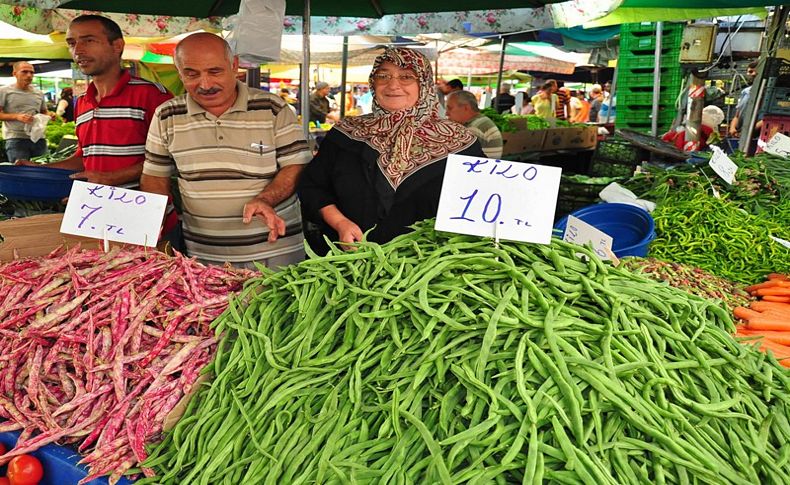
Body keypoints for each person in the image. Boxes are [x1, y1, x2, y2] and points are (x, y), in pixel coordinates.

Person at [140, 33, 311, 268]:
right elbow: (154, 177)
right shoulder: (166, 115)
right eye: (191, 74)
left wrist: (264, 199)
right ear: (179, 73)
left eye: (215, 71)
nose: (205, 84)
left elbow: (297, 165)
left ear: (234, 66)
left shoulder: (272, 108)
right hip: (204, 255)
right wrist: (148, 223)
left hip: (275, 249)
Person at [297, 47, 485, 252]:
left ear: (424, 84)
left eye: (406, 77)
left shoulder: (459, 142)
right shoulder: (346, 134)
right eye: (383, 76)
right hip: (349, 262)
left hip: (429, 268)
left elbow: (484, 202)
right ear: (372, 82)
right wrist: (340, 223)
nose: (393, 85)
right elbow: (313, 187)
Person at [18, 15, 173, 190]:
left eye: (89, 41)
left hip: (145, 212)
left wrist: (112, 178)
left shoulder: (152, 95)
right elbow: (83, 158)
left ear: (117, 46)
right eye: (71, 43)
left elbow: (174, 156)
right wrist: (40, 169)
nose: (78, 50)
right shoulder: (83, 102)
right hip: (97, 210)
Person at [0, 61, 49, 162]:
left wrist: (50, 116)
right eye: (24, 72)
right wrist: (17, 117)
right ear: (14, 74)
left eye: (32, 72)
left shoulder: (39, 93)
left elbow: (44, 112)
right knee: (20, 172)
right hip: (16, 138)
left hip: (38, 138)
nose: (29, 75)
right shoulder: (4, 91)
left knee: (43, 170)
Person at [446, 90, 503, 159]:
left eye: (450, 108)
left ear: (466, 107)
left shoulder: (474, 128)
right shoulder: (480, 121)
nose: (447, 113)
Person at [728, 61, 759, 138]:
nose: (749, 74)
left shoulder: (767, 93)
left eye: (751, 71)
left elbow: (767, 120)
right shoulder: (745, 92)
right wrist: (732, 128)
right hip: (743, 135)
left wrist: (748, 130)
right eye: (748, 72)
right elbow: (737, 116)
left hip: (757, 136)